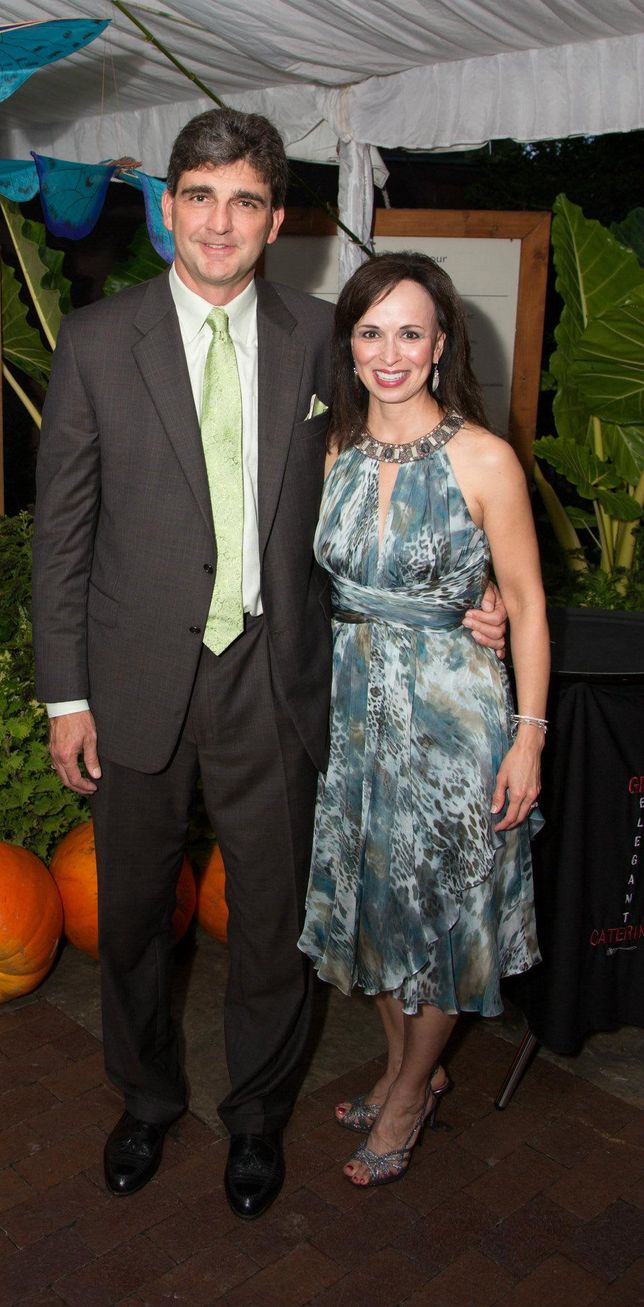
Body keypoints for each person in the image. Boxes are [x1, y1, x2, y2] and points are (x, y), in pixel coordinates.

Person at [32, 110, 505, 1220]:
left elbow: (401, 462)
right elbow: (60, 533)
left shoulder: (318, 337)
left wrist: (467, 592)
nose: (219, 221)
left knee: (271, 922)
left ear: (275, 220)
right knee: (136, 915)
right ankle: (145, 1099)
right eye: (198, 196)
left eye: (244, 200)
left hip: (276, 675)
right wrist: (65, 693)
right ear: (166, 208)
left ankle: (254, 1116)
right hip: (135, 680)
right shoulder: (98, 342)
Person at [297, 251, 549, 1188]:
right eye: (371, 331)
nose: (389, 351)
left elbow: (524, 600)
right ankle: (416, 1064)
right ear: (350, 345)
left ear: (442, 344)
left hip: (456, 722)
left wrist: (529, 734)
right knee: (373, 907)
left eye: (410, 331)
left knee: (442, 916)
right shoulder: (330, 449)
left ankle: (406, 1094)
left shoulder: (483, 457)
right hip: (352, 715)